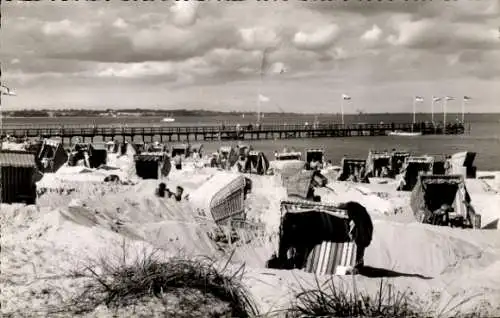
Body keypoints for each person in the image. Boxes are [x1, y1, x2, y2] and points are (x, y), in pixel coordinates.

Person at [337, 201, 373, 271]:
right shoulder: (359, 211)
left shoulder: (355, 212)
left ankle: (358, 265)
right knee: (359, 250)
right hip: (363, 234)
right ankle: (358, 264)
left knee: (359, 249)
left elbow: (358, 227)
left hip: (362, 235)